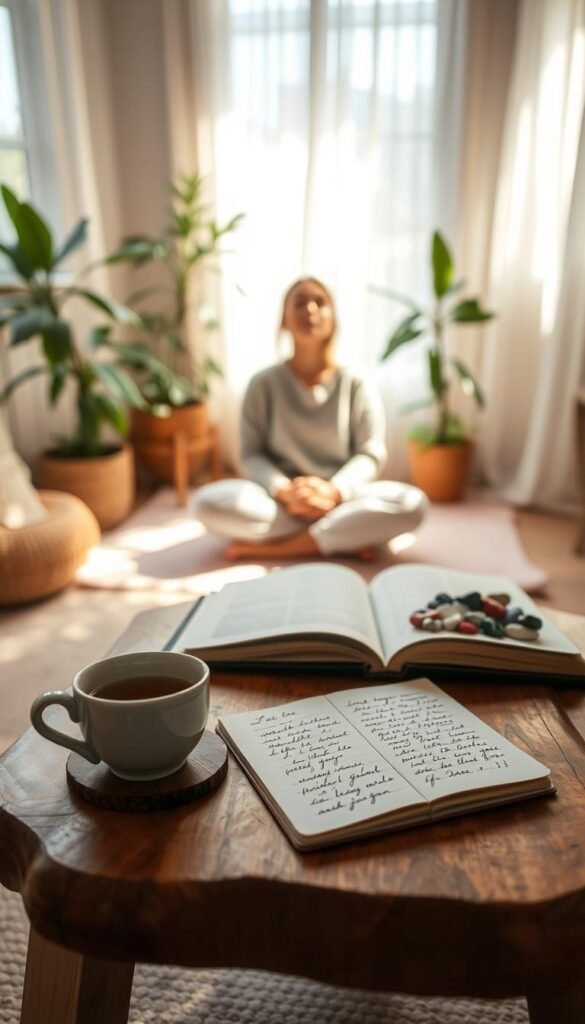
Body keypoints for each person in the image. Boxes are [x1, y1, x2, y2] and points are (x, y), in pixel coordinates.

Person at [194, 277, 428, 559]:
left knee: (413, 504)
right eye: (300, 302)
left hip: (341, 499)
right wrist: (284, 491)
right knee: (207, 503)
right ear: (284, 319)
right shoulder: (263, 384)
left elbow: (370, 454)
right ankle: (345, 538)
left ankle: (282, 549)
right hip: (282, 503)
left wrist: (334, 492)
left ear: (333, 318)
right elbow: (250, 455)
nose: (311, 310)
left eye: (320, 302)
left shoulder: (356, 383)